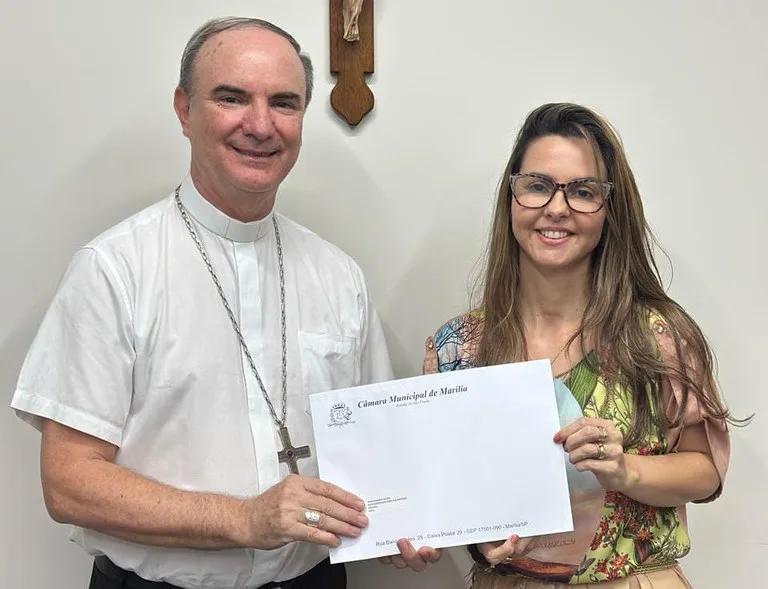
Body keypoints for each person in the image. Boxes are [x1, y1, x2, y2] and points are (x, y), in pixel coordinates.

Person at [10, 16, 393, 589]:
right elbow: (68, 483)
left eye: (284, 103)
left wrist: (405, 524)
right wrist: (243, 518)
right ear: (184, 111)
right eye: (232, 98)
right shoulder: (114, 268)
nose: (261, 125)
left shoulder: (340, 275)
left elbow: (376, 453)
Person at [419, 103, 736, 588]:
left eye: (583, 191)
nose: (557, 207)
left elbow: (705, 472)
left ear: (610, 211)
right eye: (538, 185)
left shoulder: (658, 336)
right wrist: (475, 537)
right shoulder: (457, 348)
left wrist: (625, 470)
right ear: (511, 197)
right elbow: (452, 489)